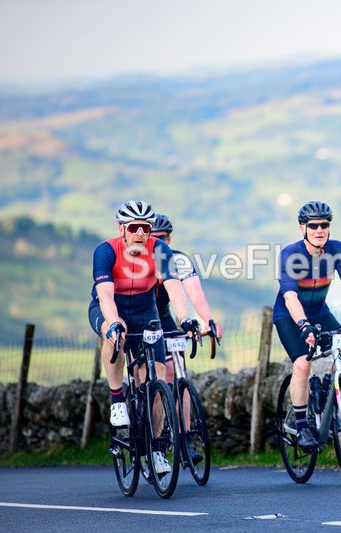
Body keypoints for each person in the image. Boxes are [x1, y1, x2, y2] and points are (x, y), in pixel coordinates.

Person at [89, 200, 199, 474]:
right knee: (116, 337)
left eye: (145, 228)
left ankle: (157, 449)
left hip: (144, 310)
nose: (140, 233)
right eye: (134, 227)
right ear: (122, 229)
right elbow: (104, 295)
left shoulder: (159, 249)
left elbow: (174, 288)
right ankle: (117, 400)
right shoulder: (106, 251)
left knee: (157, 378)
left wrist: (186, 318)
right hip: (109, 307)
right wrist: (114, 323)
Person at [273, 200, 341, 452]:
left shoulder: (336, 249)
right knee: (302, 363)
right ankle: (302, 427)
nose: (319, 230)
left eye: (324, 225)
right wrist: (303, 325)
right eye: (313, 226)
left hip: (320, 312)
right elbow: (290, 296)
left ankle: (327, 401)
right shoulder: (290, 254)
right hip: (290, 315)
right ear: (303, 228)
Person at [151, 212, 223, 463]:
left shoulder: (178, 260)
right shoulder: (137, 261)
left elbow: (194, 292)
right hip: (141, 319)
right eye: (153, 238)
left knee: (178, 373)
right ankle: (149, 432)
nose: (159, 244)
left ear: (169, 240)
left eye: (163, 238)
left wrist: (208, 320)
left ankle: (185, 439)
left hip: (165, 317)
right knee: (152, 375)